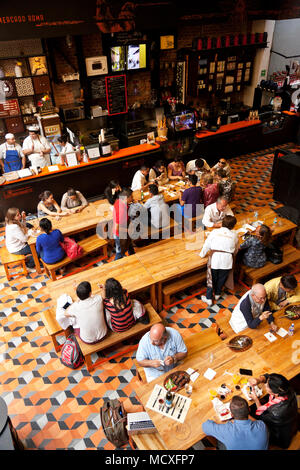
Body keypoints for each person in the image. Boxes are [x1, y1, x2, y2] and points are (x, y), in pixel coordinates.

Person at [249, 373, 298, 448]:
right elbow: (269, 377)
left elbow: (261, 418)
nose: (265, 385)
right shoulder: (287, 388)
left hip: (278, 433)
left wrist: (256, 400)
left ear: (275, 392)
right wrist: (259, 380)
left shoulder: (275, 412)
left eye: (267, 386)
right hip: (290, 420)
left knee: (250, 413)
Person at [202, 395, 269, 450]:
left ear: (231, 415)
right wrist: (244, 413)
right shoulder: (262, 426)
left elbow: (205, 426)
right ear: (249, 410)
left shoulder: (227, 430)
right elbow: (256, 422)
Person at [200, 215, 239, 306]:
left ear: (222, 223)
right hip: (227, 260)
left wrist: (202, 254)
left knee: (211, 279)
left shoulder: (214, 232)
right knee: (222, 278)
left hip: (215, 259)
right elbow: (236, 249)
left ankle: (209, 298)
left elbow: (207, 245)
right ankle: (217, 294)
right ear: (233, 226)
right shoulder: (234, 235)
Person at [113, 187, 135, 261]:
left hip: (124, 230)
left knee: (129, 245)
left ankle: (133, 256)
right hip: (120, 234)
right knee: (120, 252)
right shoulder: (121, 211)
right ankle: (115, 265)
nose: (132, 198)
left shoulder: (119, 200)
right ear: (126, 198)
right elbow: (117, 227)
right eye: (131, 197)